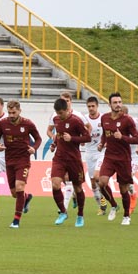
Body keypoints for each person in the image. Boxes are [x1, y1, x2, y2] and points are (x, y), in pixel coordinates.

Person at [0, 100, 40, 228]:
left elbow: (38, 139)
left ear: (19, 111)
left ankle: (16, 221)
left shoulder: (28, 124)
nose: (11, 115)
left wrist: (34, 148)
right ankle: (26, 197)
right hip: (9, 160)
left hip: (23, 160)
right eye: (9, 112)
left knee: (19, 187)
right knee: (15, 193)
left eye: (14, 112)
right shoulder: (3, 123)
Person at [98, 93, 138, 225]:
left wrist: (122, 137)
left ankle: (126, 216)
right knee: (101, 183)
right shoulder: (104, 118)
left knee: (123, 190)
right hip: (109, 157)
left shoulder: (127, 120)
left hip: (123, 159)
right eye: (115, 102)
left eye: (120, 102)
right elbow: (105, 134)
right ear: (109, 104)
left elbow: (137, 139)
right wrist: (102, 143)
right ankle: (114, 205)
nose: (118, 105)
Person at [49, 98, 90, 227]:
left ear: (67, 110)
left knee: (78, 188)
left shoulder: (76, 121)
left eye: (61, 113)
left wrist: (72, 138)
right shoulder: (56, 119)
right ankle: (63, 212)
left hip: (74, 159)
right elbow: (59, 135)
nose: (59, 115)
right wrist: (54, 144)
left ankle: (80, 215)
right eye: (57, 113)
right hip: (59, 158)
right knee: (55, 184)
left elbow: (87, 137)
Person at [46, 92, 79, 208]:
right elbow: (49, 130)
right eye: (62, 100)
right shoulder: (55, 116)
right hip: (60, 151)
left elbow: (87, 129)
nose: (65, 103)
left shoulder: (77, 116)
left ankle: (65, 207)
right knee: (63, 180)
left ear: (71, 102)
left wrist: (78, 140)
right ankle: (70, 198)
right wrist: (54, 139)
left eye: (67, 101)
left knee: (69, 179)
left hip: (73, 152)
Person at [83, 96, 107, 215]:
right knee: (93, 183)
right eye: (89, 106)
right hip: (89, 153)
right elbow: (82, 137)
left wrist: (105, 143)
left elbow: (108, 134)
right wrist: (82, 140)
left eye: (93, 106)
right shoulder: (84, 119)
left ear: (97, 106)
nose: (91, 108)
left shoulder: (103, 118)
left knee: (97, 177)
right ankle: (102, 206)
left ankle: (109, 200)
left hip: (101, 152)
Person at [120, 104, 138, 214]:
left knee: (129, 177)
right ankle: (132, 194)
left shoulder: (135, 122)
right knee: (124, 181)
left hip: (134, 156)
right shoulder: (117, 123)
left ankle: (132, 199)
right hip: (124, 156)